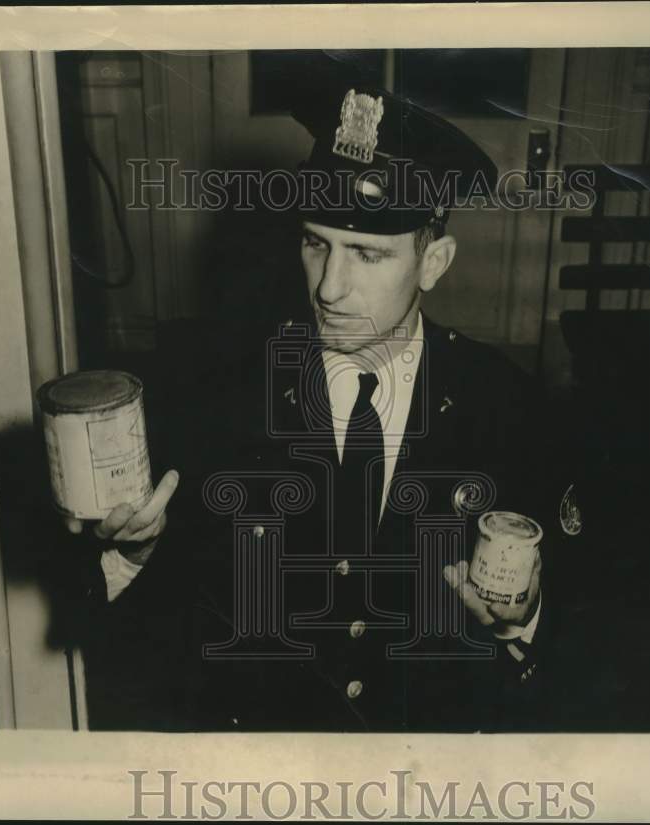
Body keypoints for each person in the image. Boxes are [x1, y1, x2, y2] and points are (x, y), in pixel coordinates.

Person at [66, 84, 585, 732]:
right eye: (317, 244)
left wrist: (522, 618)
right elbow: (152, 639)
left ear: (435, 262)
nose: (329, 288)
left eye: (367, 254)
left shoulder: (506, 406)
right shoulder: (218, 391)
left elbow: (576, 623)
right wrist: (135, 556)